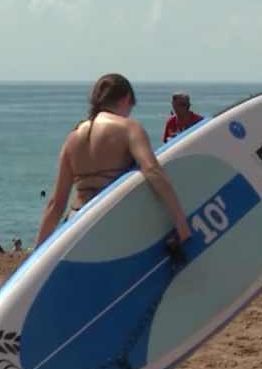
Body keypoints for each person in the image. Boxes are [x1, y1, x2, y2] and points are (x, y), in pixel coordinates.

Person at [36, 73, 193, 247]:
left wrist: (35, 258)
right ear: (126, 99)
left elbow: (56, 205)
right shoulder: (128, 128)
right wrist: (180, 220)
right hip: (111, 220)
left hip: (76, 224)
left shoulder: (73, 137)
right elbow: (152, 171)